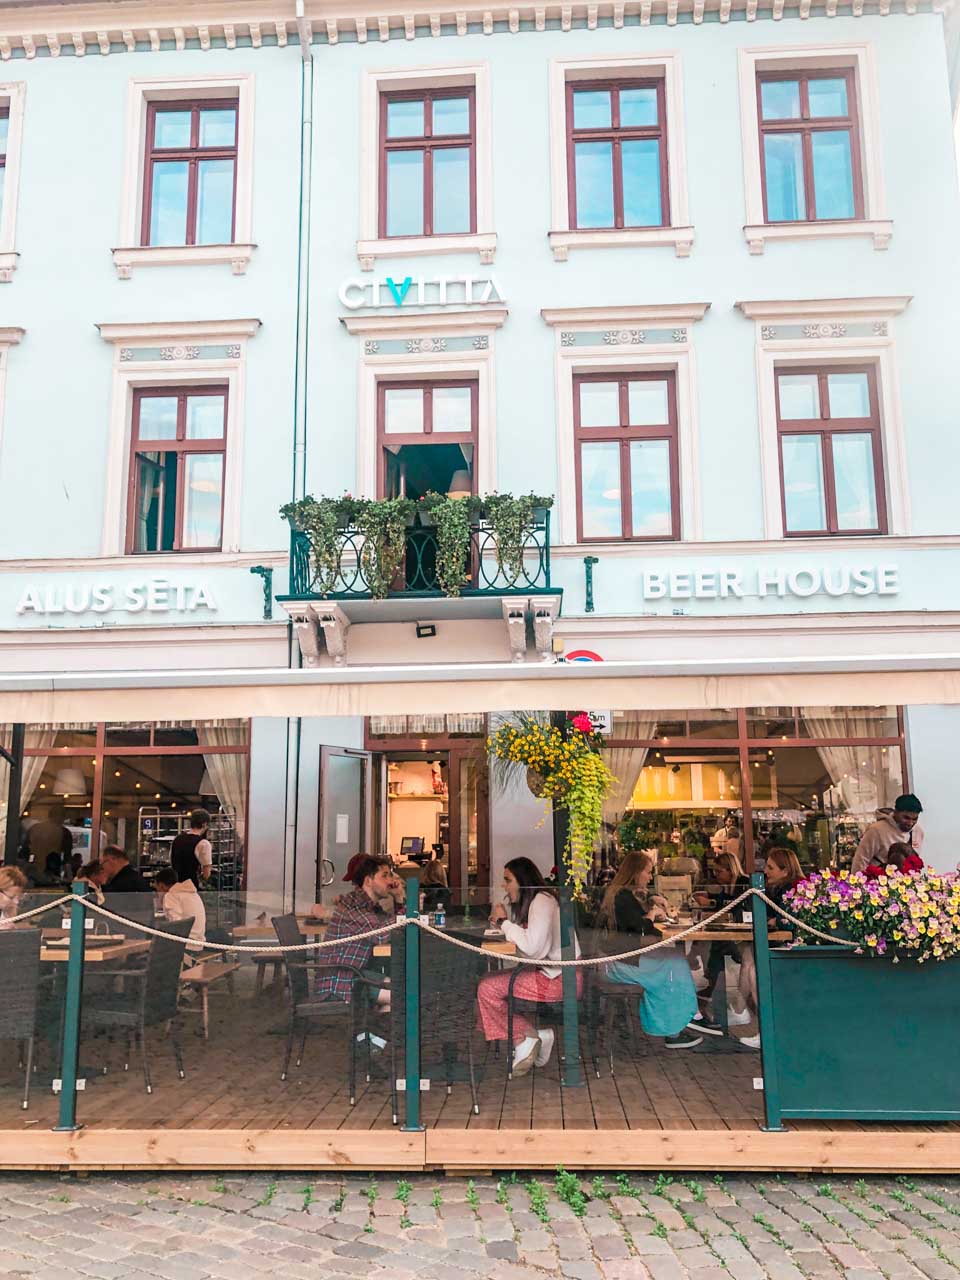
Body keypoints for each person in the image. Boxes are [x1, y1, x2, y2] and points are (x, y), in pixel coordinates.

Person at [598, 852, 722, 1049]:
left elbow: (632, 921)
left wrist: (651, 899)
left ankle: (682, 1021)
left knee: (675, 959)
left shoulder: (621, 893)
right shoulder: (621, 897)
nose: (649, 877)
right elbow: (638, 928)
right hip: (617, 964)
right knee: (674, 965)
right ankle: (680, 1023)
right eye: (647, 872)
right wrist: (652, 914)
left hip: (620, 959)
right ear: (636, 873)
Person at [476, 857, 582, 1077]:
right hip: (554, 974)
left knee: (487, 988)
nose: (504, 886)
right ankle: (535, 1036)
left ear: (523, 881)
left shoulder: (542, 901)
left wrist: (504, 922)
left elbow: (532, 949)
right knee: (488, 984)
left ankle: (524, 1037)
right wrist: (504, 924)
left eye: (508, 880)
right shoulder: (539, 901)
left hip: (561, 980)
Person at [731, 846, 803, 1050]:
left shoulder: (790, 889)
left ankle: (766, 1030)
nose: (766, 871)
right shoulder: (780, 888)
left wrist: (774, 921)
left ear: (785, 871)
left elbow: (790, 922)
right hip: (786, 946)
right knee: (748, 957)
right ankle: (741, 1012)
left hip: (794, 950)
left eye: (771, 867)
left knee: (755, 969)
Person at [316, 855, 403, 1008]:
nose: (390, 881)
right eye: (384, 876)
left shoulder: (370, 906)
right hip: (341, 981)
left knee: (401, 992)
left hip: (358, 974)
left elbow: (392, 928)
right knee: (402, 996)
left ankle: (375, 1031)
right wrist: (407, 910)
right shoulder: (354, 905)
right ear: (368, 881)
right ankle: (371, 1031)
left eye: (390, 875)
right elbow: (381, 934)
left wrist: (398, 899)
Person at [852, 794, 924, 875]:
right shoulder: (876, 830)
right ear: (896, 812)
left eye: (915, 819)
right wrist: (858, 883)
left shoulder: (918, 831)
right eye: (906, 818)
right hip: (879, 882)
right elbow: (861, 860)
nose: (910, 823)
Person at [153, 865, 206, 947]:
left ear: (161, 886)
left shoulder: (171, 895)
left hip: (185, 947)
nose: (157, 893)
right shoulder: (191, 892)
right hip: (198, 944)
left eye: (157, 889)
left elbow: (176, 926)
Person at [26, 805, 72, 880]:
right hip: (52, 870)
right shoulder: (64, 832)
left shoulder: (35, 828)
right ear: (62, 817)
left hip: (34, 869)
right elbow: (67, 856)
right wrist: (69, 876)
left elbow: (25, 850)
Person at [170, 809, 213, 889]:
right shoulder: (203, 843)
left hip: (176, 886)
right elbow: (206, 873)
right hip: (192, 887)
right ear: (204, 824)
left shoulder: (177, 839)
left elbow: (172, 862)